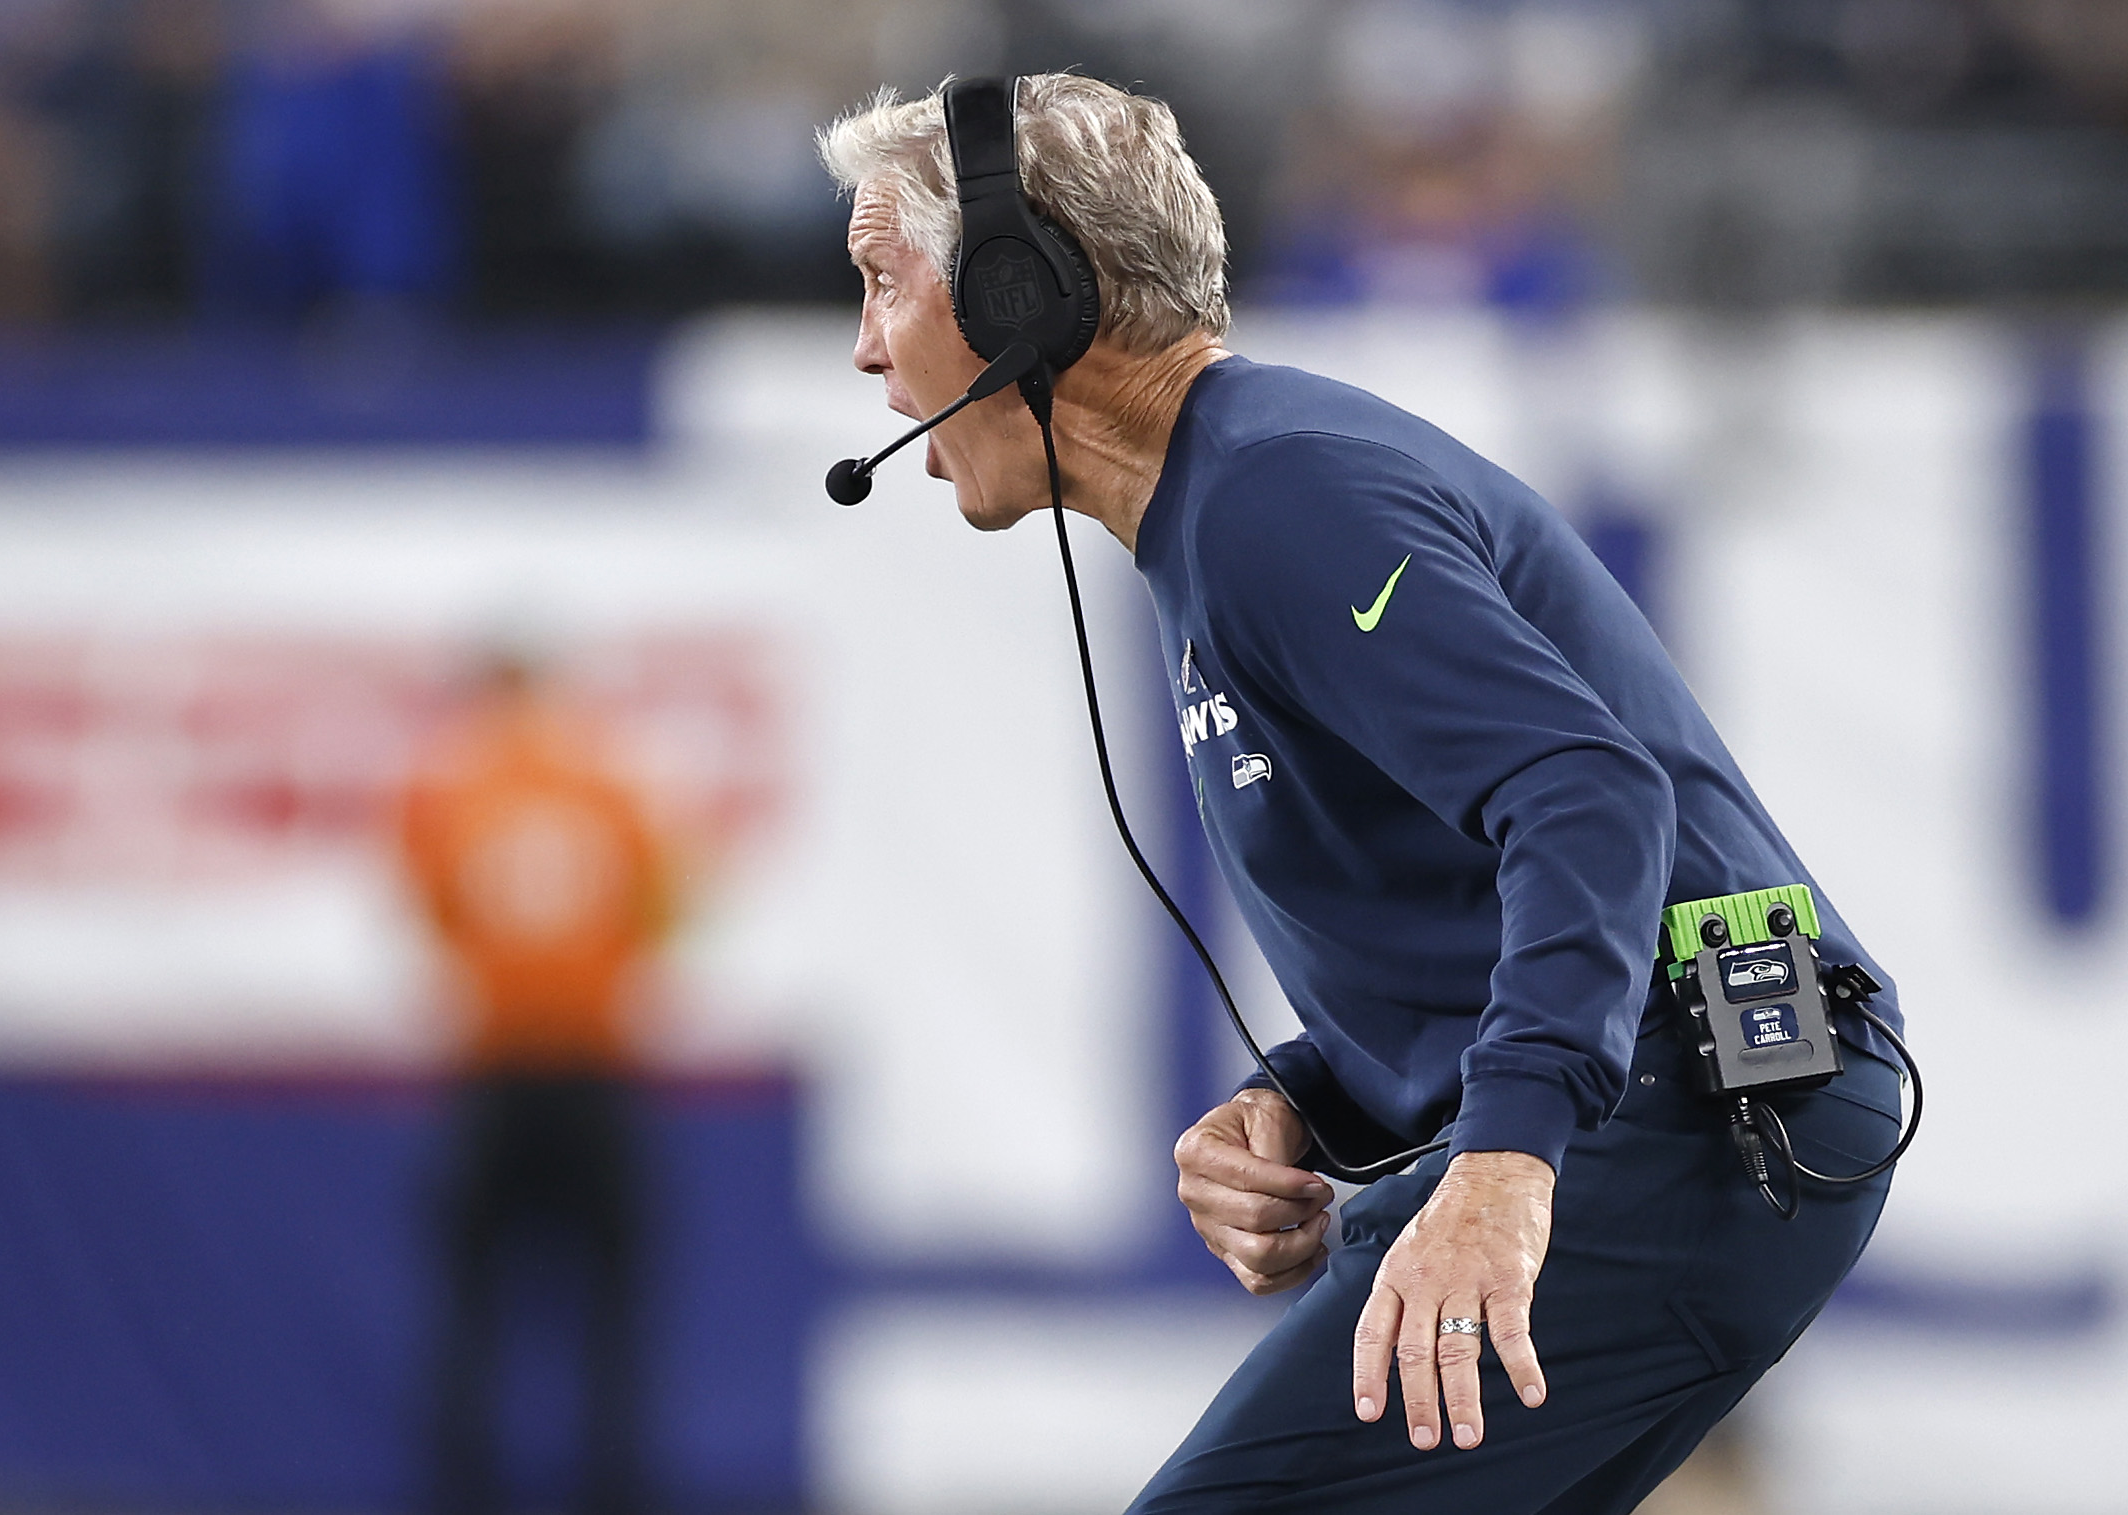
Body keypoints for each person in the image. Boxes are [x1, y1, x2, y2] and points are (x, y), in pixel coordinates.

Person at [819, 75, 1907, 1512]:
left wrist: (1508, 1159)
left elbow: (1586, 795)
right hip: (1691, 1083)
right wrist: (1302, 1099)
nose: (862, 354)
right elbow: (1472, 883)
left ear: (1024, 297)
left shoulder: (1276, 493)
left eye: (881, 283)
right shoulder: (1230, 498)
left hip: (1693, 1098)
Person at [400, 652, 676, 1515]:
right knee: (608, 1311)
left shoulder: (453, 794)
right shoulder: (610, 787)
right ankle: (613, 1492)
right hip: (589, 1072)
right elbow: (661, 907)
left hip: (499, 1073)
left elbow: (437, 914)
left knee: (475, 1308)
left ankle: (462, 1491)